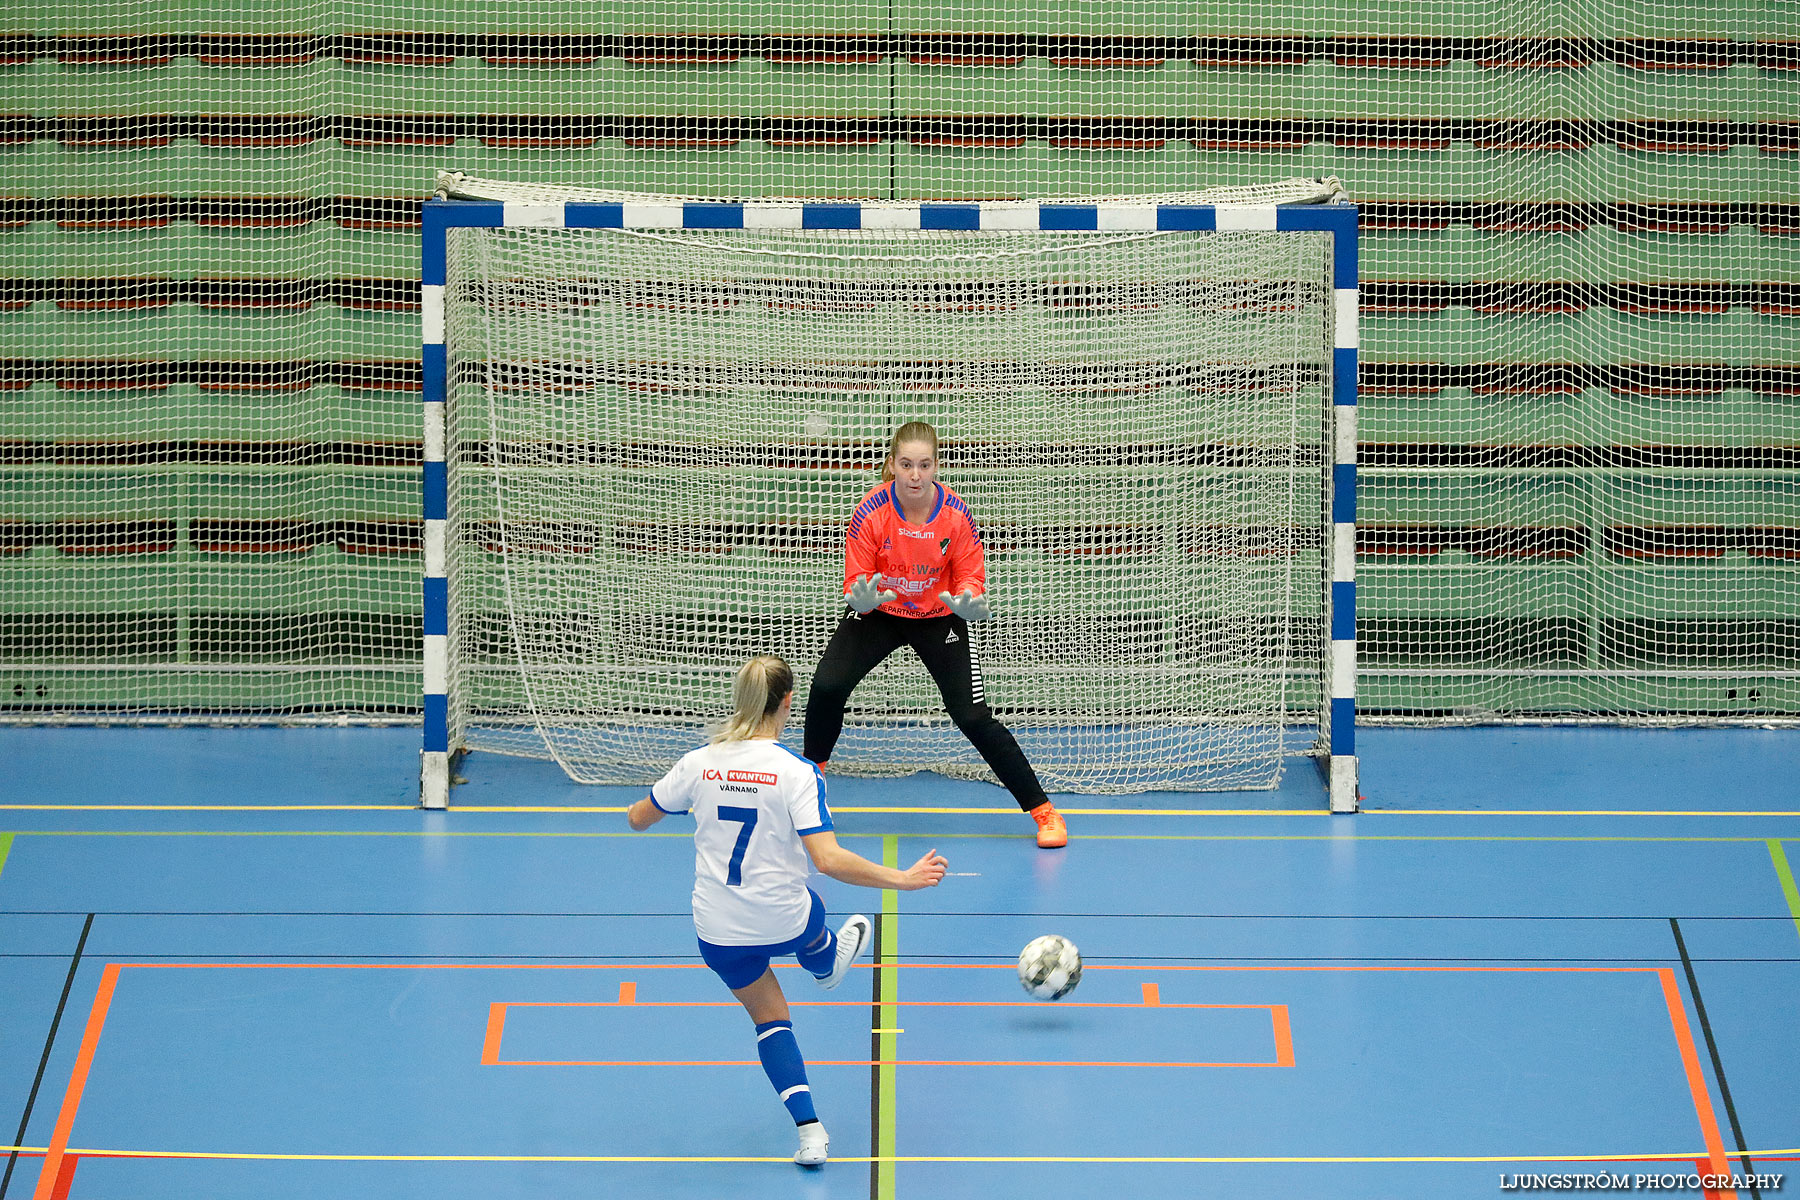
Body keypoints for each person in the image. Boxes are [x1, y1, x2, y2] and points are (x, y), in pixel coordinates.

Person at [626, 654, 947, 1167]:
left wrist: (682, 798)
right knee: (811, 910)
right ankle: (825, 963)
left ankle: (811, 1134)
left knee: (771, 1022)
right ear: (787, 703)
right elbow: (828, 859)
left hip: (718, 930)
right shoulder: (796, 773)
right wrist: (902, 880)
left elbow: (638, 818)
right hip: (783, 919)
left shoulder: (698, 761)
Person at [803, 421, 1069, 848]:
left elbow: (969, 576)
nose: (914, 474)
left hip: (939, 616)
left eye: (924, 465)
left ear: (936, 467)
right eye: (906, 464)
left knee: (971, 715)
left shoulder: (955, 515)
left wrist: (968, 599)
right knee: (827, 685)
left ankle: (1044, 812)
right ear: (891, 465)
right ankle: (810, 785)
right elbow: (857, 579)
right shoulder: (870, 512)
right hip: (880, 612)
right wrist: (862, 600)